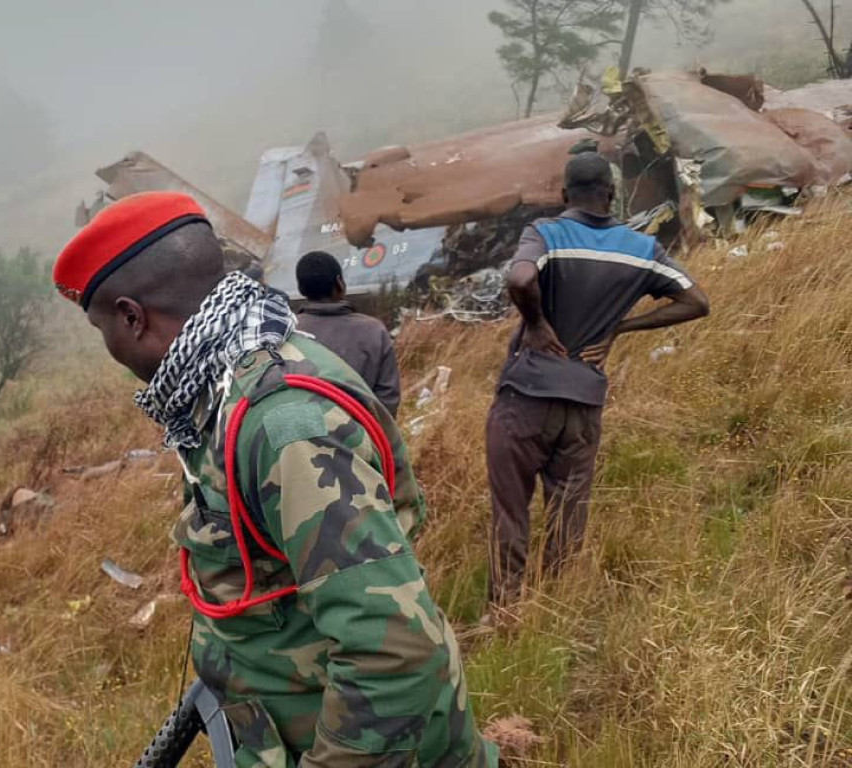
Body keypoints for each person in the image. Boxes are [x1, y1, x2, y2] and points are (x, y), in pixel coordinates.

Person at [53, 192, 495, 767]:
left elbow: (393, 653)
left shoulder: (283, 425)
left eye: (104, 328)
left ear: (133, 317)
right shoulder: (226, 381)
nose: (109, 347)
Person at [485, 153, 710, 611]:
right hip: (584, 403)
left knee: (511, 511)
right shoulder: (641, 248)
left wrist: (537, 324)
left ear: (564, 194)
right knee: (569, 513)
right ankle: (555, 611)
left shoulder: (545, 232)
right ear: (611, 193)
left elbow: (521, 278)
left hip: (525, 397)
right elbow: (697, 302)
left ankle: (506, 613)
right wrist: (620, 327)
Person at [294, 250, 402, 415]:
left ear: (301, 289)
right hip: (362, 428)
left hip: (299, 428)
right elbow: (388, 397)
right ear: (340, 283)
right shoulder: (373, 330)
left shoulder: (286, 331)